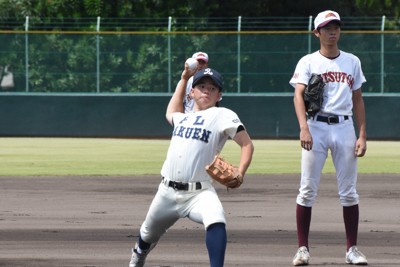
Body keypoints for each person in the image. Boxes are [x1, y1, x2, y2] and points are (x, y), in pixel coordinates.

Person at [129, 63, 254, 267]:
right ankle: (138, 257)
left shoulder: (222, 115)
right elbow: (171, 110)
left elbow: (247, 144)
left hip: (199, 193)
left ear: (219, 96)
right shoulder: (182, 119)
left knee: (216, 219)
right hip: (166, 192)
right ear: (193, 92)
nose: (207, 90)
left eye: (213, 88)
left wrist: (240, 171)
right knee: (147, 233)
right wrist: (184, 78)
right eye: (202, 86)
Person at [289, 10, 368, 266]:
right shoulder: (308, 62)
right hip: (316, 126)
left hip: (345, 127)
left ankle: (352, 250)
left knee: (349, 192)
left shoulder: (352, 61)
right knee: (307, 189)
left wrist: (363, 134)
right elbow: (298, 95)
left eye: (336, 27)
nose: (332, 31)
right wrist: (304, 128)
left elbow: (358, 99)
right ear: (317, 32)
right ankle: (302, 249)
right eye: (327, 27)